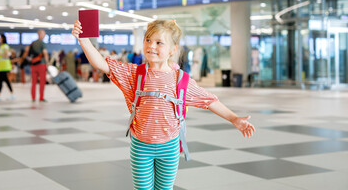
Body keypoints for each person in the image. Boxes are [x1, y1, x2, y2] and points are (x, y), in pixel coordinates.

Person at [71, 19, 255, 190]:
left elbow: (209, 100)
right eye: (148, 40)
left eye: (159, 43)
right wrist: (84, 41)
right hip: (141, 146)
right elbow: (102, 64)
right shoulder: (134, 74)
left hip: (170, 147)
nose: (152, 46)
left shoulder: (180, 80)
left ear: (173, 49)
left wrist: (234, 119)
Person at [21, 29, 49, 102]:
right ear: (40, 34)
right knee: (42, 82)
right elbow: (45, 53)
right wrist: (47, 63)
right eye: (43, 34)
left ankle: (33, 97)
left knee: (33, 82)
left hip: (33, 65)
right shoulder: (42, 43)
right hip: (41, 64)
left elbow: (27, 53)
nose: (44, 36)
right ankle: (41, 97)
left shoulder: (32, 43)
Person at [0, 34, 15, 101]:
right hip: (1, 66)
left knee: (1, 81)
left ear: (3, 39)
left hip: (4, 66)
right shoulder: (1, 46)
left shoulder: (5, 46)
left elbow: (7, 56)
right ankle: (12, 94)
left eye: (0, 38)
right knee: (5, 81)